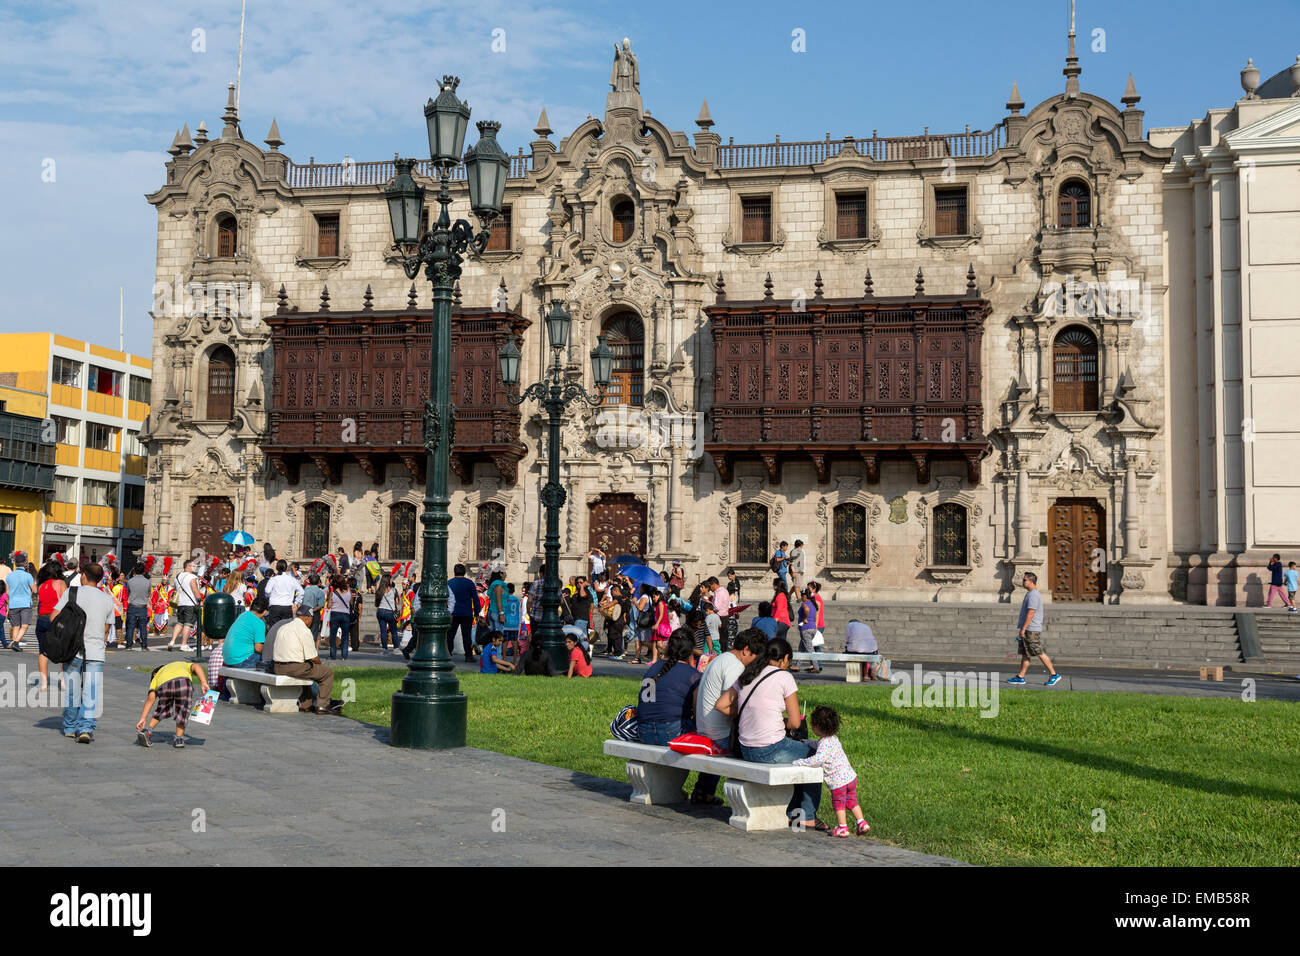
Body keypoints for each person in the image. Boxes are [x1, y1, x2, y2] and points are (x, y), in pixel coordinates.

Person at [721, 637, 826, 831]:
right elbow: (795, 722)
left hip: (745, 748)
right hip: (770, 748)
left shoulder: (748, 674)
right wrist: (779, 722)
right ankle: (806, 815)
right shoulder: (784, 677)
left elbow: (720, 705)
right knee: (816, 757)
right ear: (785, 659)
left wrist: (744, 715)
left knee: (801, 754)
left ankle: (794, 811)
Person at [691, 628, 765, 804]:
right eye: (756, 658)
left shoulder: (721, 659)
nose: (756, 664)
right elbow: (729, 706)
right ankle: (751, 801)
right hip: (719, 735)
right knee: (756, 746)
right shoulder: (735, 667)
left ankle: (703, 791)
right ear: (746, 650)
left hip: (705, 728)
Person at [50, 563, 115, 744]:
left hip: (72, 649)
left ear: (84, 576)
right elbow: (106, 629)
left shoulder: (73, 593)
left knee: (72, 690)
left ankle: (70, 727)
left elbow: (53, 617)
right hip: (95, 652)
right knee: (91, 691)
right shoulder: (107, 599)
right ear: (100, 578)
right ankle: (85, 727)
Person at [792, 706, 869, 838]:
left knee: (838, 804)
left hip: (838, 783)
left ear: (817, 726)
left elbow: (818, 759)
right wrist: (807, 742)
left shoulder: (824, 744)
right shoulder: (832, 739)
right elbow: (819, 745)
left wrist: (800, 762)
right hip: (850, 778)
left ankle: (842, 827)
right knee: (852, 801)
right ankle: (861, 822)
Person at [272, 606, 341, 714]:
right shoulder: (304, 630)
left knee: (306, 669)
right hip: (294, 667)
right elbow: (313, 657)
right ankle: (322, 705)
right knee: (327, 673)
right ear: (308, 618)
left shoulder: (284, 627)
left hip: (277, 667)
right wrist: (319, 665)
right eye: (312, 619)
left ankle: (306, 705)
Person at [636, 630, 699, 743]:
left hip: (643, 730)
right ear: (690, 651)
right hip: (672, 730)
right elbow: (698, 713)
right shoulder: (692, 674)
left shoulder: (653, 668)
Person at [135, 660, 209, 749]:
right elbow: (196, 665)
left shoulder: (156, 676)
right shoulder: (182, 664)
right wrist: (203, 682)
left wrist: (143, 718)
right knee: (183, 710)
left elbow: (151, 698)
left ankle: (147, 732)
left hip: (165, 686)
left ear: (154, 674)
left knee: (162, 709)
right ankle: (179, 739)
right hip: (183, 682)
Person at [1008, 571, 1060, 686]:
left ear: (1031, 581)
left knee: (1038, 651)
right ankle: (1020, 676)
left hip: (1031, 629)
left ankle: (1054, 674)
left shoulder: (1033, 595)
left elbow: (1031, 613)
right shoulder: (1030, 593)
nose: (1022, 581)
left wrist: (1023, 629)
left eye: (1024, 580)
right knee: (1025, 653)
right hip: (1028, 629)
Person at [32, 560, 69, 691]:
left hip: (41, 620)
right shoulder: (60, 583)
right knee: (63, 650)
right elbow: (66, 602)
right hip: (56, 619)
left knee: (43, 652)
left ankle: (43, 683)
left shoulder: (41, 586)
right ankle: (63, 680)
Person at [447, 563, 481, 662]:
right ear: (464, 572)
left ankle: (448, 654)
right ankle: (468, 656)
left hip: (453, 613)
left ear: (454, 572)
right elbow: (475, 599)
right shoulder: (469, 583)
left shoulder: (449, 583)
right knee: (467, 635)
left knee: (450, 635)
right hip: (466, 613)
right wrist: (477, 612)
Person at [224, 596, 269, 669]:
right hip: (241, 660)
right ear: (265, 612)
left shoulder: (242, 615)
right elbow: (258, 648)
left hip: (228, 659)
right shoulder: (259, 622)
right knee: (269, 663)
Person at [166, 558, 201, 652]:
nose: (195, 567)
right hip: (190, 603)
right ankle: (184, 644)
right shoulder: (192, 577)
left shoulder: (178, 576)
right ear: (188, 566)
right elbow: (195, 589)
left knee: (180, 622)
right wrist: (199, 601)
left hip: (180, 603)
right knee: (188, 624)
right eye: (193, 566)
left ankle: (172, 642)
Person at [5, 554, 35, 652]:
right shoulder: (28, 575)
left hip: (13, 603)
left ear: (15, 563)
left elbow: (7, 592)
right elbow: (34, 590)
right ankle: (15, 642)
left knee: (16, 626)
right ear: (24, 563)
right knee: (25, 625)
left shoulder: (9, 576)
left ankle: (15, 643)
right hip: (25, 603)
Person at [264, 559, 303, 627]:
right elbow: (301, 591)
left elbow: (267, 591)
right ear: (286, 568)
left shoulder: (273, 579)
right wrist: (296, 603)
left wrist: (271, 596)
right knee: (285, 630)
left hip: (275, 606)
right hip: (287, 607)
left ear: (277, 568)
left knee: (274, 629)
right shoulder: (291, 579)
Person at [124, 564, 151, 651]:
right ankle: (144, 645)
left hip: (132, 605)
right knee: (143, 626)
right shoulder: (147, 582)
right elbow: (148, 594)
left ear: (134, 571)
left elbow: (128, 592)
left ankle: (128, 645)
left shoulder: (130, 581)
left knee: (131, 626)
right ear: (143, 571)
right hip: (142, 606)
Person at [795, 587, 821, 673]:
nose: (801, 598)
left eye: (802, 596)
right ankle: (797, 666)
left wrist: (804, 618)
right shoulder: (813, 604)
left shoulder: (805, 604)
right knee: (801, 648)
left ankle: (816, 667)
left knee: (810, 649)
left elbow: (806, 609)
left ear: (806, 596)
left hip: (806, 629)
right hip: (812, 628)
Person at [326, 576, 352, 661]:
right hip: (346, 614)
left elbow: (329, 606)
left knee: (333, 635)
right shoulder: (348, 591)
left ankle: (333, 655)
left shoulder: (333, 592)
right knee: (345, 636)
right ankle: (344, 656)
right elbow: (350, 602)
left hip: (335, 614)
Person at [374, 572, 399, 652]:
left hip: (380, 611)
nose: (392, 580)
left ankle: (384, 649)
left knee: (383, 631)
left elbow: (376, 604)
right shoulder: (394, 590)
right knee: (394, 631)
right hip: (390, 612)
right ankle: (396, 648)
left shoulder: (379, 591)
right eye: (391, 579)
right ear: (388, 580)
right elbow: (397, 603)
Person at [300, 573, 326, 648]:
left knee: (304, 632)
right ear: (318, 582)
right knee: (313, 633)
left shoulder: (305, 590)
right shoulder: (320, 592)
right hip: (314, 614)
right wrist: (312, 610)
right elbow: (321, 605)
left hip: (304, 613)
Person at [502, 582, 522, 659]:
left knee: (505, 642)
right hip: (515, 624)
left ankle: (504, 659)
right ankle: (515, 661)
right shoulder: (517, 600)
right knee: (514, 642)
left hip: (506, 624)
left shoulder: (505, 600)